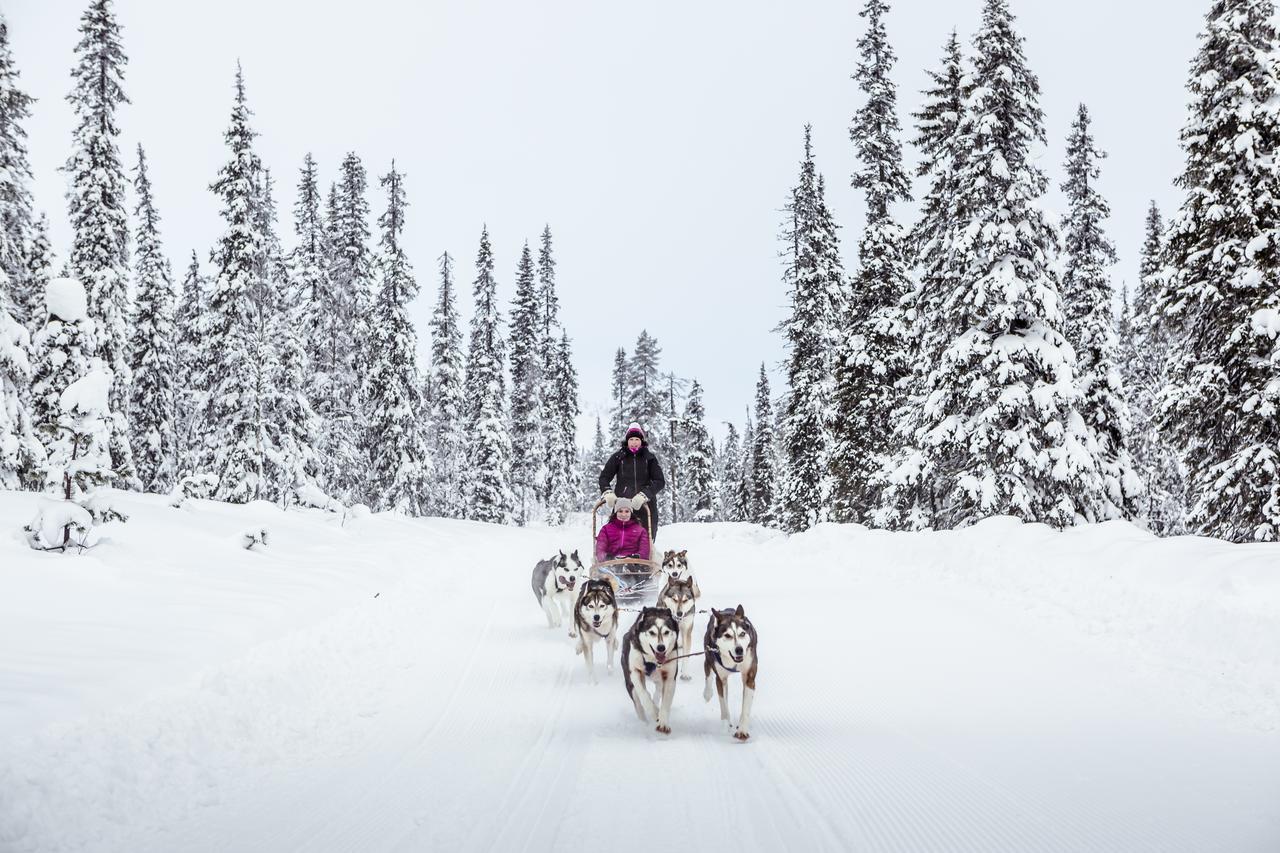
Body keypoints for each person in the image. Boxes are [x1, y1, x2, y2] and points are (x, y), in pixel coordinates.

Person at [599, 421, 665, 541]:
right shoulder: (619, 457)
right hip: (623, 507)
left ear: (641, 441)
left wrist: (644, 495)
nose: (634, 442)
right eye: (631, 439)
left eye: (637, 439)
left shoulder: (649, 458)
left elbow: (659, 481)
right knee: (619, 542)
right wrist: (607, 492)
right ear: (627, 441)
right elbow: (604, 477)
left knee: (645, 542)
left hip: (646, 507)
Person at [594, 497, 651, 563]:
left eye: (627, 511)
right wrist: (606, 557)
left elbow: (645, 550)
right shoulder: (606, 529)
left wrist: (638, 557)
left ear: (631, 513)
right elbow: (600, 549)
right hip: (611, 562)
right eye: (620, 511)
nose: (623, 514)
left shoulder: (640, 531)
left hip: (633, 563)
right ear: (616, 512)